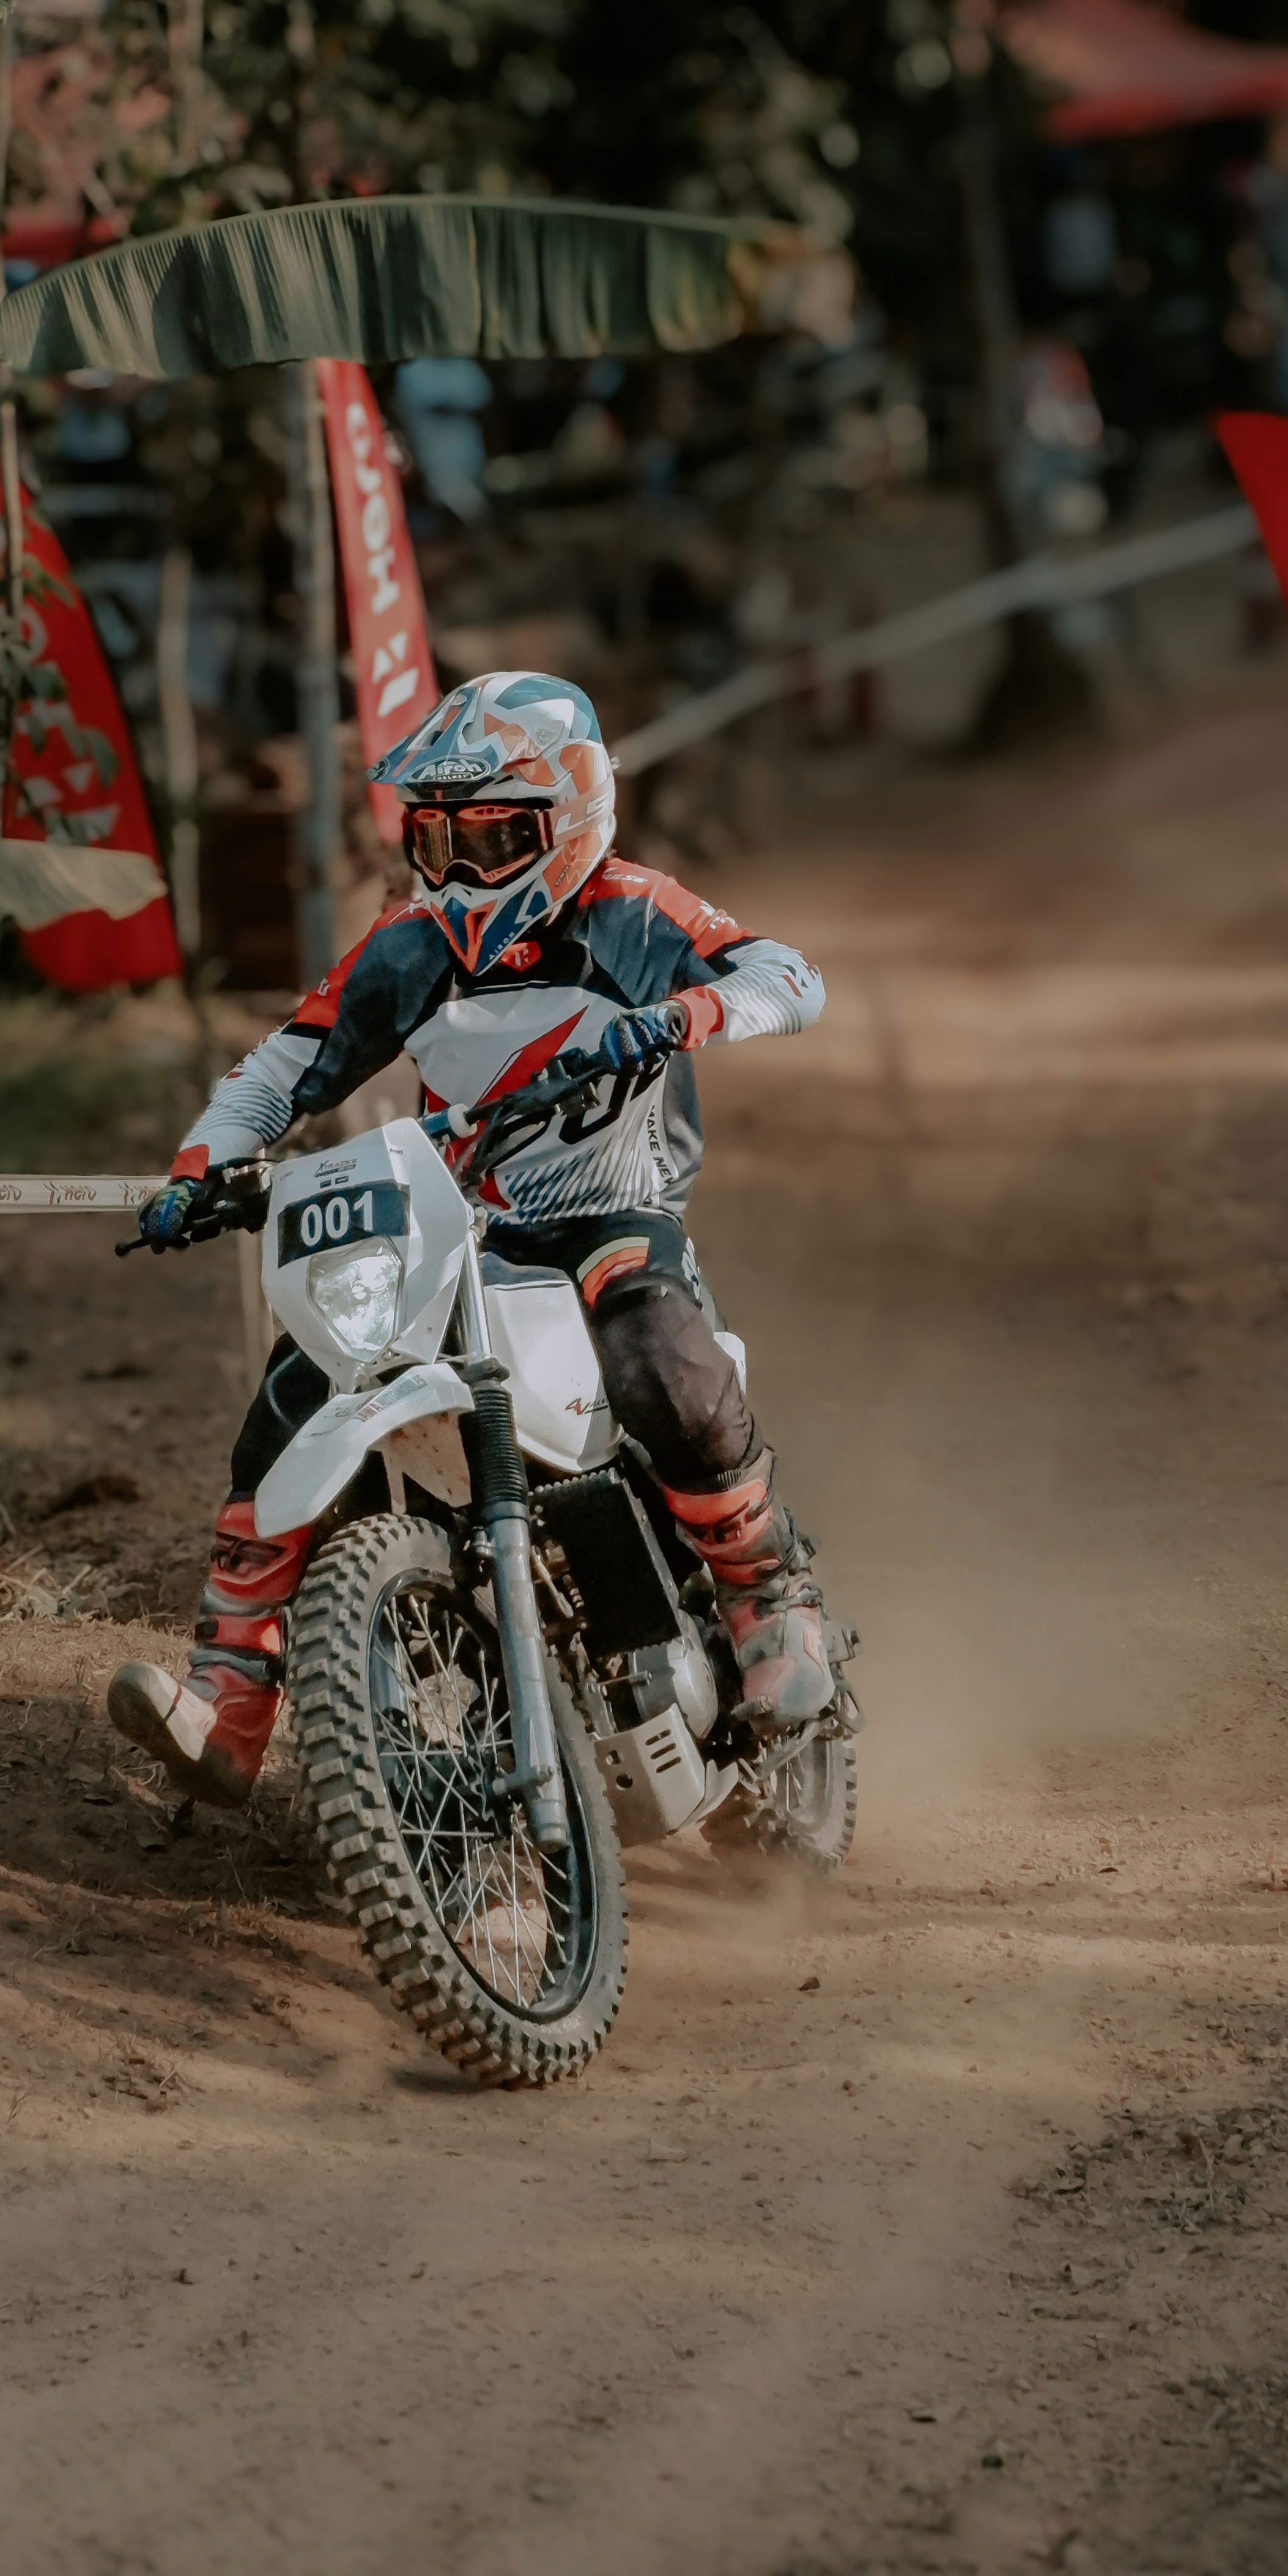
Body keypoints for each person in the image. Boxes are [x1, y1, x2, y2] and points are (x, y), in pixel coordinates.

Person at [108, 670, 829, 1811]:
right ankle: (233, 1697)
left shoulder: (638, 914)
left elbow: (791, 975)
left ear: (571, 817)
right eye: (434, 836)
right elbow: (280, 1068)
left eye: (493, 834)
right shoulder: (406, 946)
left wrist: (687, 1011)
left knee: (655, 1350)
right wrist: (202, 1165)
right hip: (463, 1225)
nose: (458, 867)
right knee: (304, 1376)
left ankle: (764, 1593)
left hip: (608, 1214)